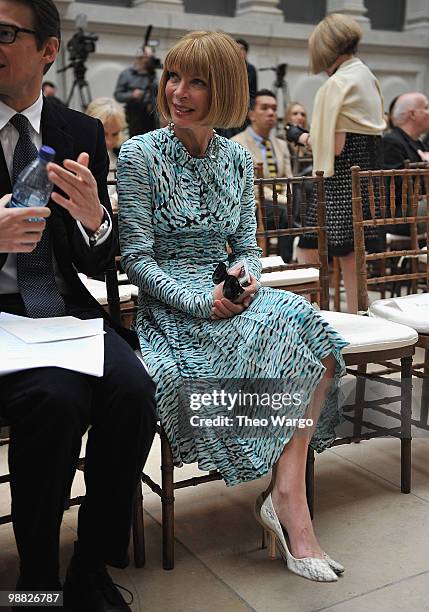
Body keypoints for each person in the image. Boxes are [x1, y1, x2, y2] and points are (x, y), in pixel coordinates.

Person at [118, 30, 348, 583]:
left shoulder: (236, 160)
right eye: (174, 77)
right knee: (290, 333)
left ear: (222, 90)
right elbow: (137, 261)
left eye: (197, 80)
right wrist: (203, 301)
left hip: (230, 293)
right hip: (172, 305)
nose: (179, 91)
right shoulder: (139, 153)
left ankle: (286, 492)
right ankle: (290, 509)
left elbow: (246, 246)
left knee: (310, 331)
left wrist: (244, 279)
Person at [0, 2, 156, 610]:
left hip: (65, 310)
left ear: (48, 50)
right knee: (56, 400)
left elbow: (98, 262)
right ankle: (37, 579)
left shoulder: (81, 132)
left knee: (134, 390)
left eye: (6, 33)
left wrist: (95, 220)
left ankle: (90, 565)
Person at [288, 13, 385, 313]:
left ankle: (311, 316)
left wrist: (300, 137)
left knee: (307, 245)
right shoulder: (366, 76)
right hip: (366, 177)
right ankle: (360, 316)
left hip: (340, 183)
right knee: (352, 255)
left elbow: (335, 146)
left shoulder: (337, 83)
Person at [232, 89, 294, 261]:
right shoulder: (238, 143)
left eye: (274, 108)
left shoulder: (281, 144)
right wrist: (284, 199)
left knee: (306, 207)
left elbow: (289, 178)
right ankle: (283, 263)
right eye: (265, 108)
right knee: (287, 212)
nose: (271, 113)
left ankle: (306, 259)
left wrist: (289, 196)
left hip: (283, 201)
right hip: (256, 204)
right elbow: (249, 186)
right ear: (251, 114)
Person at [382, 92, 429, 236]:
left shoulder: (418, 142)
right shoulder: (391, 142)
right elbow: (394, 189)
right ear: (412, 114)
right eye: (426, 107)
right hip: (401, 214)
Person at [86, 97, 126, 213]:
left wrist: (114, 200)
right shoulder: (82, 155)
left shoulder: (123, 153)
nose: (109, 141)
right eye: (104, 134)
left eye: (115, 134)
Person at [114, 47, 158, 137]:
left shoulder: (152, 75)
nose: (149, 61)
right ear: (139, 58)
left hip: (149, 117)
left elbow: (155, 93)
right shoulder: (126, 74)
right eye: (147, 58)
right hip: (132, 116)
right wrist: (132, 95)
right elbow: (118, 95)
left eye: (151, 58)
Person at [284, 101, 312, 173]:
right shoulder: (281, 140)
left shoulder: (310, 138)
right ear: (288, 117)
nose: (300, 117)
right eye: (295, 114)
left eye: (303, 115)